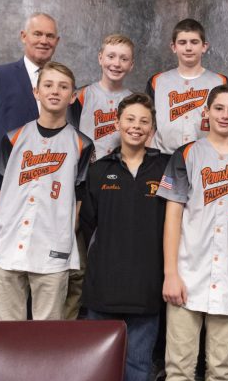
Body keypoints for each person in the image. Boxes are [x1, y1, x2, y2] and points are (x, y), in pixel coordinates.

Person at [158, 84, 228, 381]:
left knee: (221, 371)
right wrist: (171, 273)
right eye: (218, 108)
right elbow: (173, 216)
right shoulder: (187, 153)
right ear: (206, 112)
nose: (225, 115)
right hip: (188, 272)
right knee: (179, 369)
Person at [0, 12, 61, 320]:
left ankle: (23, 340)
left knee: (33, 268)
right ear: (23, 36)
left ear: (57, 42)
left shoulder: (60, 83)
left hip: (43, 194)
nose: (43, 40)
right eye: (37, 34)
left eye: (50, 36)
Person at [0, 62, 94, 321]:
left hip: (53, 247)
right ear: (36, 91)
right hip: (11, 245)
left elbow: (79, 198)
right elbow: (0, 190)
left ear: (72, 96)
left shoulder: (82, 144)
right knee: (6, 328)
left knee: (47, 332)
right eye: (48, 85)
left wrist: (66, 232)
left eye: (63, 86)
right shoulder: (13, 138)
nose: (55, 91)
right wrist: (6, 227)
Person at [81, 93, 169, 381]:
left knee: (138, 367)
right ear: (117, 124)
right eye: (130, 119)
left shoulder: (168, 168)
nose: (136, 126)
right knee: (98, 367)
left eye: (144, 121)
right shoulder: (98, 170)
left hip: (147, 286)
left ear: (152, 130)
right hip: (104, 285)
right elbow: (89, 225)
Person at [64, 34, 135, 319]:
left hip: (116, 184)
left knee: (110, 255)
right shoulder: (81, 96)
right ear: (100, 58)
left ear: (131, 65)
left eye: (123, 58)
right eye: (111, 56)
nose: (116, 63)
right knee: (76, 263)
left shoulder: (133, 100)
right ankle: (68, 328)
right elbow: (67, 139)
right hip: (82, 185)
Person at [146, 19, 228, 155]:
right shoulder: (157, 81)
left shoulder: (220, 82)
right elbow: (147, 123)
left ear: (204, 46)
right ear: (174, 47)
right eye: (182, 42)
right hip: (163, 157)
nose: (188, 48)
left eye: (194, 42)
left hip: (207, 156)